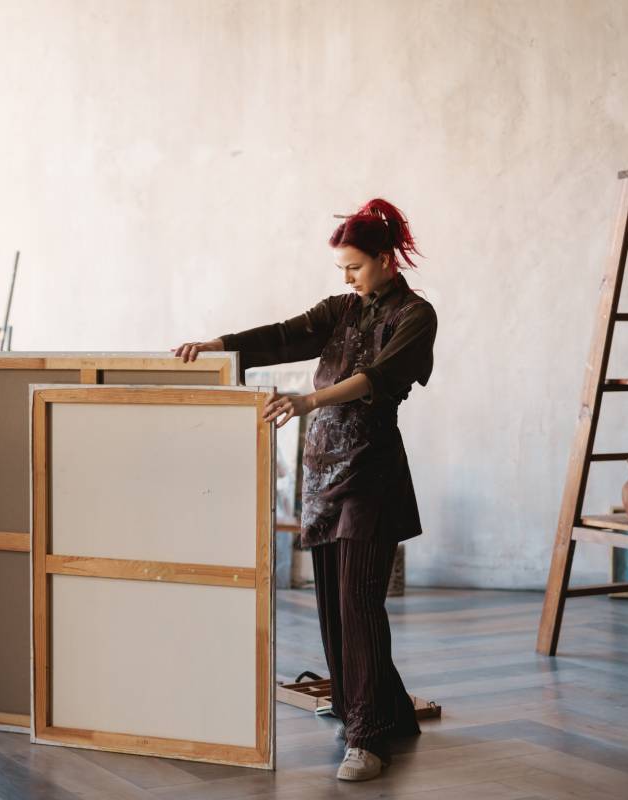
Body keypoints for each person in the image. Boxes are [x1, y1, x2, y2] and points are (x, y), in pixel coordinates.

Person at [174, 198, 437, 782]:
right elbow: (280, 336)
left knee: (359, 602)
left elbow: (383, 378)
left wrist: (308, 399)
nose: (346, 278)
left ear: (388, 260)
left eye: (355, 267)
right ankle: (373, 710)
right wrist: (214, 345)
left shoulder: (417, 316)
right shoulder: (340, 310)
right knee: (331, 606)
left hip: (372, 472)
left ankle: (368, 740)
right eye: (342, 268)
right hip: (324, 470)